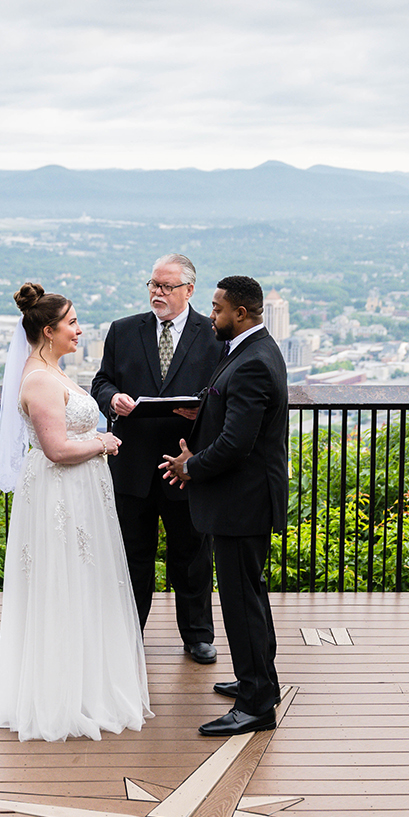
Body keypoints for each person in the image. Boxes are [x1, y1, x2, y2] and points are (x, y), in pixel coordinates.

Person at [0, 282, 151, 742]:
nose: (79, 330)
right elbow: (56, 449)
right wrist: (104, 441)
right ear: (47, 329)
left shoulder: (54, 372)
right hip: (60, 496)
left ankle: (86, 684)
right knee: (63, 582)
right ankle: (61, 695)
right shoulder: (39, 379)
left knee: (84, 583)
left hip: (80, 495)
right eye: (72, 323)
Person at [160, 275, 289, 737]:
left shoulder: (253, 361)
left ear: (242, 313)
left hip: (243, 503)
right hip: (242, 501)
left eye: (217, 309)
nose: (211, 316)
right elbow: (230, 407)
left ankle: (256, 704)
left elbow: (237, 443)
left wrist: (190, 467)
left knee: (240, 602)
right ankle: (260, 682)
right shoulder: (252, 349)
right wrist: (204, 409)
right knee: (247, 596)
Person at [91, 253, 225, 665]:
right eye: (152, 285)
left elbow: (224, 394)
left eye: (166, 287)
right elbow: (101, 381)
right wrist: (111, 399)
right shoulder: (123, 330)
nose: (157, 293)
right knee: (132, 556)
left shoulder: (214, 335)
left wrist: (202, 409)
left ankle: (198, 636)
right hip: (132, 466)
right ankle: (130, 634)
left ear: (189, 290)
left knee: (193, 556)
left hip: (187, 464)